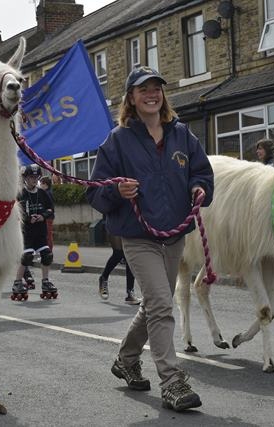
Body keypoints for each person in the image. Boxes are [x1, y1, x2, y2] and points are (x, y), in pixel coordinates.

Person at [86, 66, 214, 411]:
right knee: (161, 303)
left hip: (173, 236)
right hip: (138, 236)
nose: (151, 94)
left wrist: (200, 187)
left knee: (153, 305)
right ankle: (172, 381)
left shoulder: (182, 135)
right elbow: (96, 193)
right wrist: (117, 190)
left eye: (156, 88)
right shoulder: (117, 141)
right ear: (131, 97)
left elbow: (201, 171)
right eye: (143, 90)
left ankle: (126, 359)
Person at [12, 164, 57, 298]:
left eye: (36, 177)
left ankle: (45, 281)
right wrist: (27, 218)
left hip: (40, 231)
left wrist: (42, 216)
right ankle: (18, 282)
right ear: (25, 178)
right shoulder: (20, 194)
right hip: (27, 232)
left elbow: (50, 209)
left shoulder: (42, 193)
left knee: (47, 255)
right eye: (31, 177)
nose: (34, 179)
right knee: (27, 257)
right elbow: (15, 211)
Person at [98, 230, 140, 304]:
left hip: (131, 224)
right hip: (116, 223)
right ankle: (104, 277)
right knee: (118, 253)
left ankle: (130, 292)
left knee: (129, 255)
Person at [39, 175, 55, 250]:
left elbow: (49, 206)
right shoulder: (48, 192)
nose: (40, 185)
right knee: (47, 234)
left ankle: (49, 251)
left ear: (45, 184)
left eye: (41, 184)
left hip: (48, 216)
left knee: (48, 235)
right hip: (48, 216)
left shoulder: (47, 193)